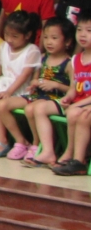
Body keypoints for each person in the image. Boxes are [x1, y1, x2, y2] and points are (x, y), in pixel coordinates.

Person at [0, 10, 43, 158]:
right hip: (5, 87)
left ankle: (21, 140)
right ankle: (2, 139)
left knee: (2, 105)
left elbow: (24, 76)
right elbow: (0, 72)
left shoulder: (32, 50)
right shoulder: (4, 47)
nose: (9, 40)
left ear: (27, 35)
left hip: (23, 92)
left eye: (15, 36)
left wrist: (9, 92)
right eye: (7, 35)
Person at [20, 17, 74, 167]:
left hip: (60, 99)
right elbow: (35, 79)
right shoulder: (43, 58)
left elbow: (73, 89)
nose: (49, 42)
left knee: (38, 108)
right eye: (46, 38)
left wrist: (55, 85)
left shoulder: (69, 63)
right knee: (30, 108)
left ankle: (47, 150)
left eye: (54, 38)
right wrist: (34, 83)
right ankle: (39, 146)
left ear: (68, 41)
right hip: (42, 97)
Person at [51, 18, 91, 176]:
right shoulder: (76, 59)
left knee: (80, 116)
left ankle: (78, 160)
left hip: (86, 105)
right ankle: (72, 154)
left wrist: (80, 105)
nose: (82, 35)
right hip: (81, 104)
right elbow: (74, 87)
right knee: (73, 113)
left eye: (89, 31)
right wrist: (68, 97)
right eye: (79, 30)